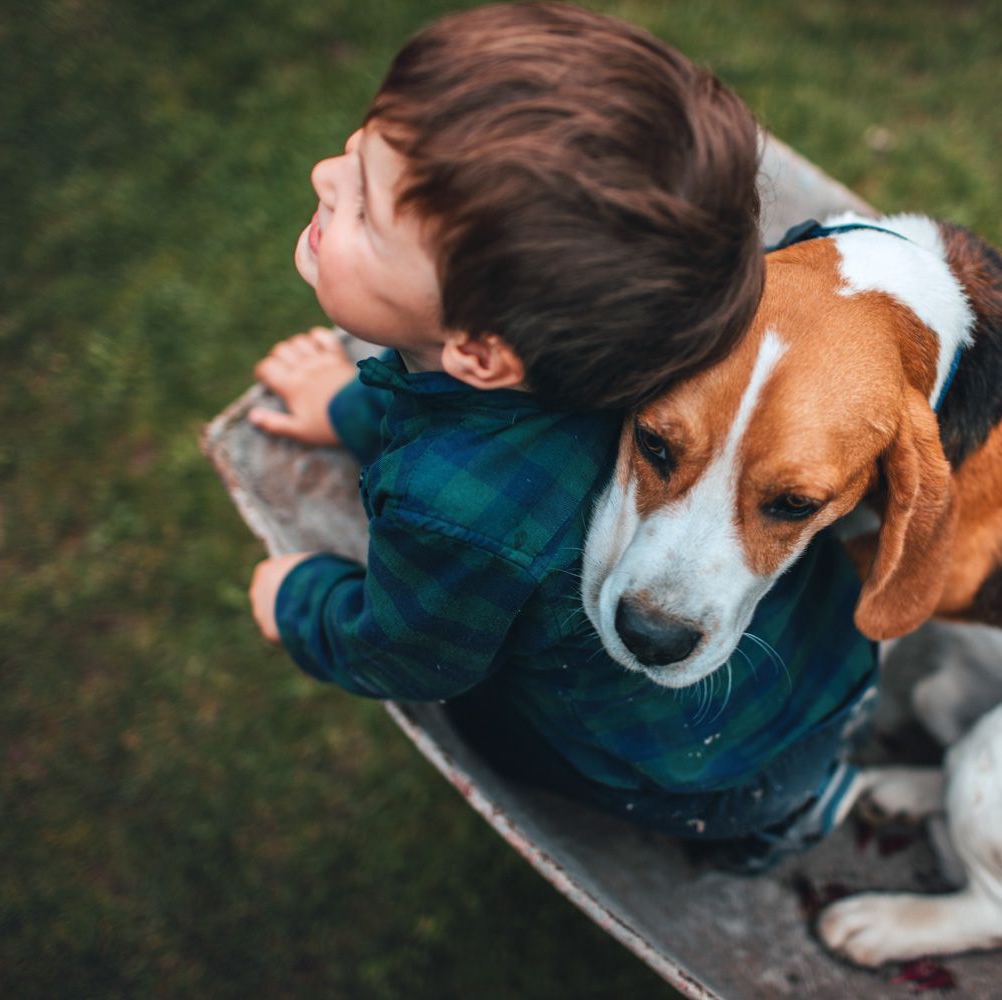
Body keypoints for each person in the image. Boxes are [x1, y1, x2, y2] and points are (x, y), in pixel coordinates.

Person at [246, 2, 876, 869]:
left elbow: (413, 657)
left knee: (496, 729)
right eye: (356, 156)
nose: (323, 175)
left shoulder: (447, 507)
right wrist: (344, 408)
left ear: (476, 350)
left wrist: (304, 600)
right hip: (822, 658)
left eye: (362, 208)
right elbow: (435, 404)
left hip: (715, 769)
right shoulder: (658, 354)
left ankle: (778, 825)